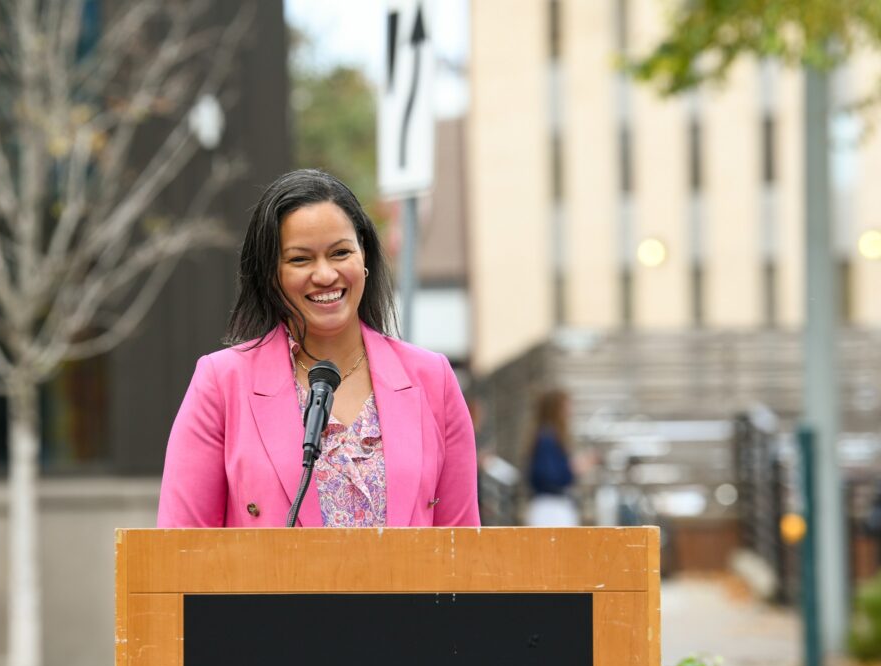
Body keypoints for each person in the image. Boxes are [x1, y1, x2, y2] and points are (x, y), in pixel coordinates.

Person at [157, 169, 479, 528]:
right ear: (269, 273)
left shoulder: (433, 380)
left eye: (340, 253)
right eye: (300, 259)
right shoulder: (222, 383)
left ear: (365, 258)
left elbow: (463, 555)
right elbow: (180, 550)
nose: (325, 275)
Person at [526, 389, 580, 526]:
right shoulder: (547, 438)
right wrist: (572, 468)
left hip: (553, 505)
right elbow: (547, 476)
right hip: (550, 507)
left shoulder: (549, 436)